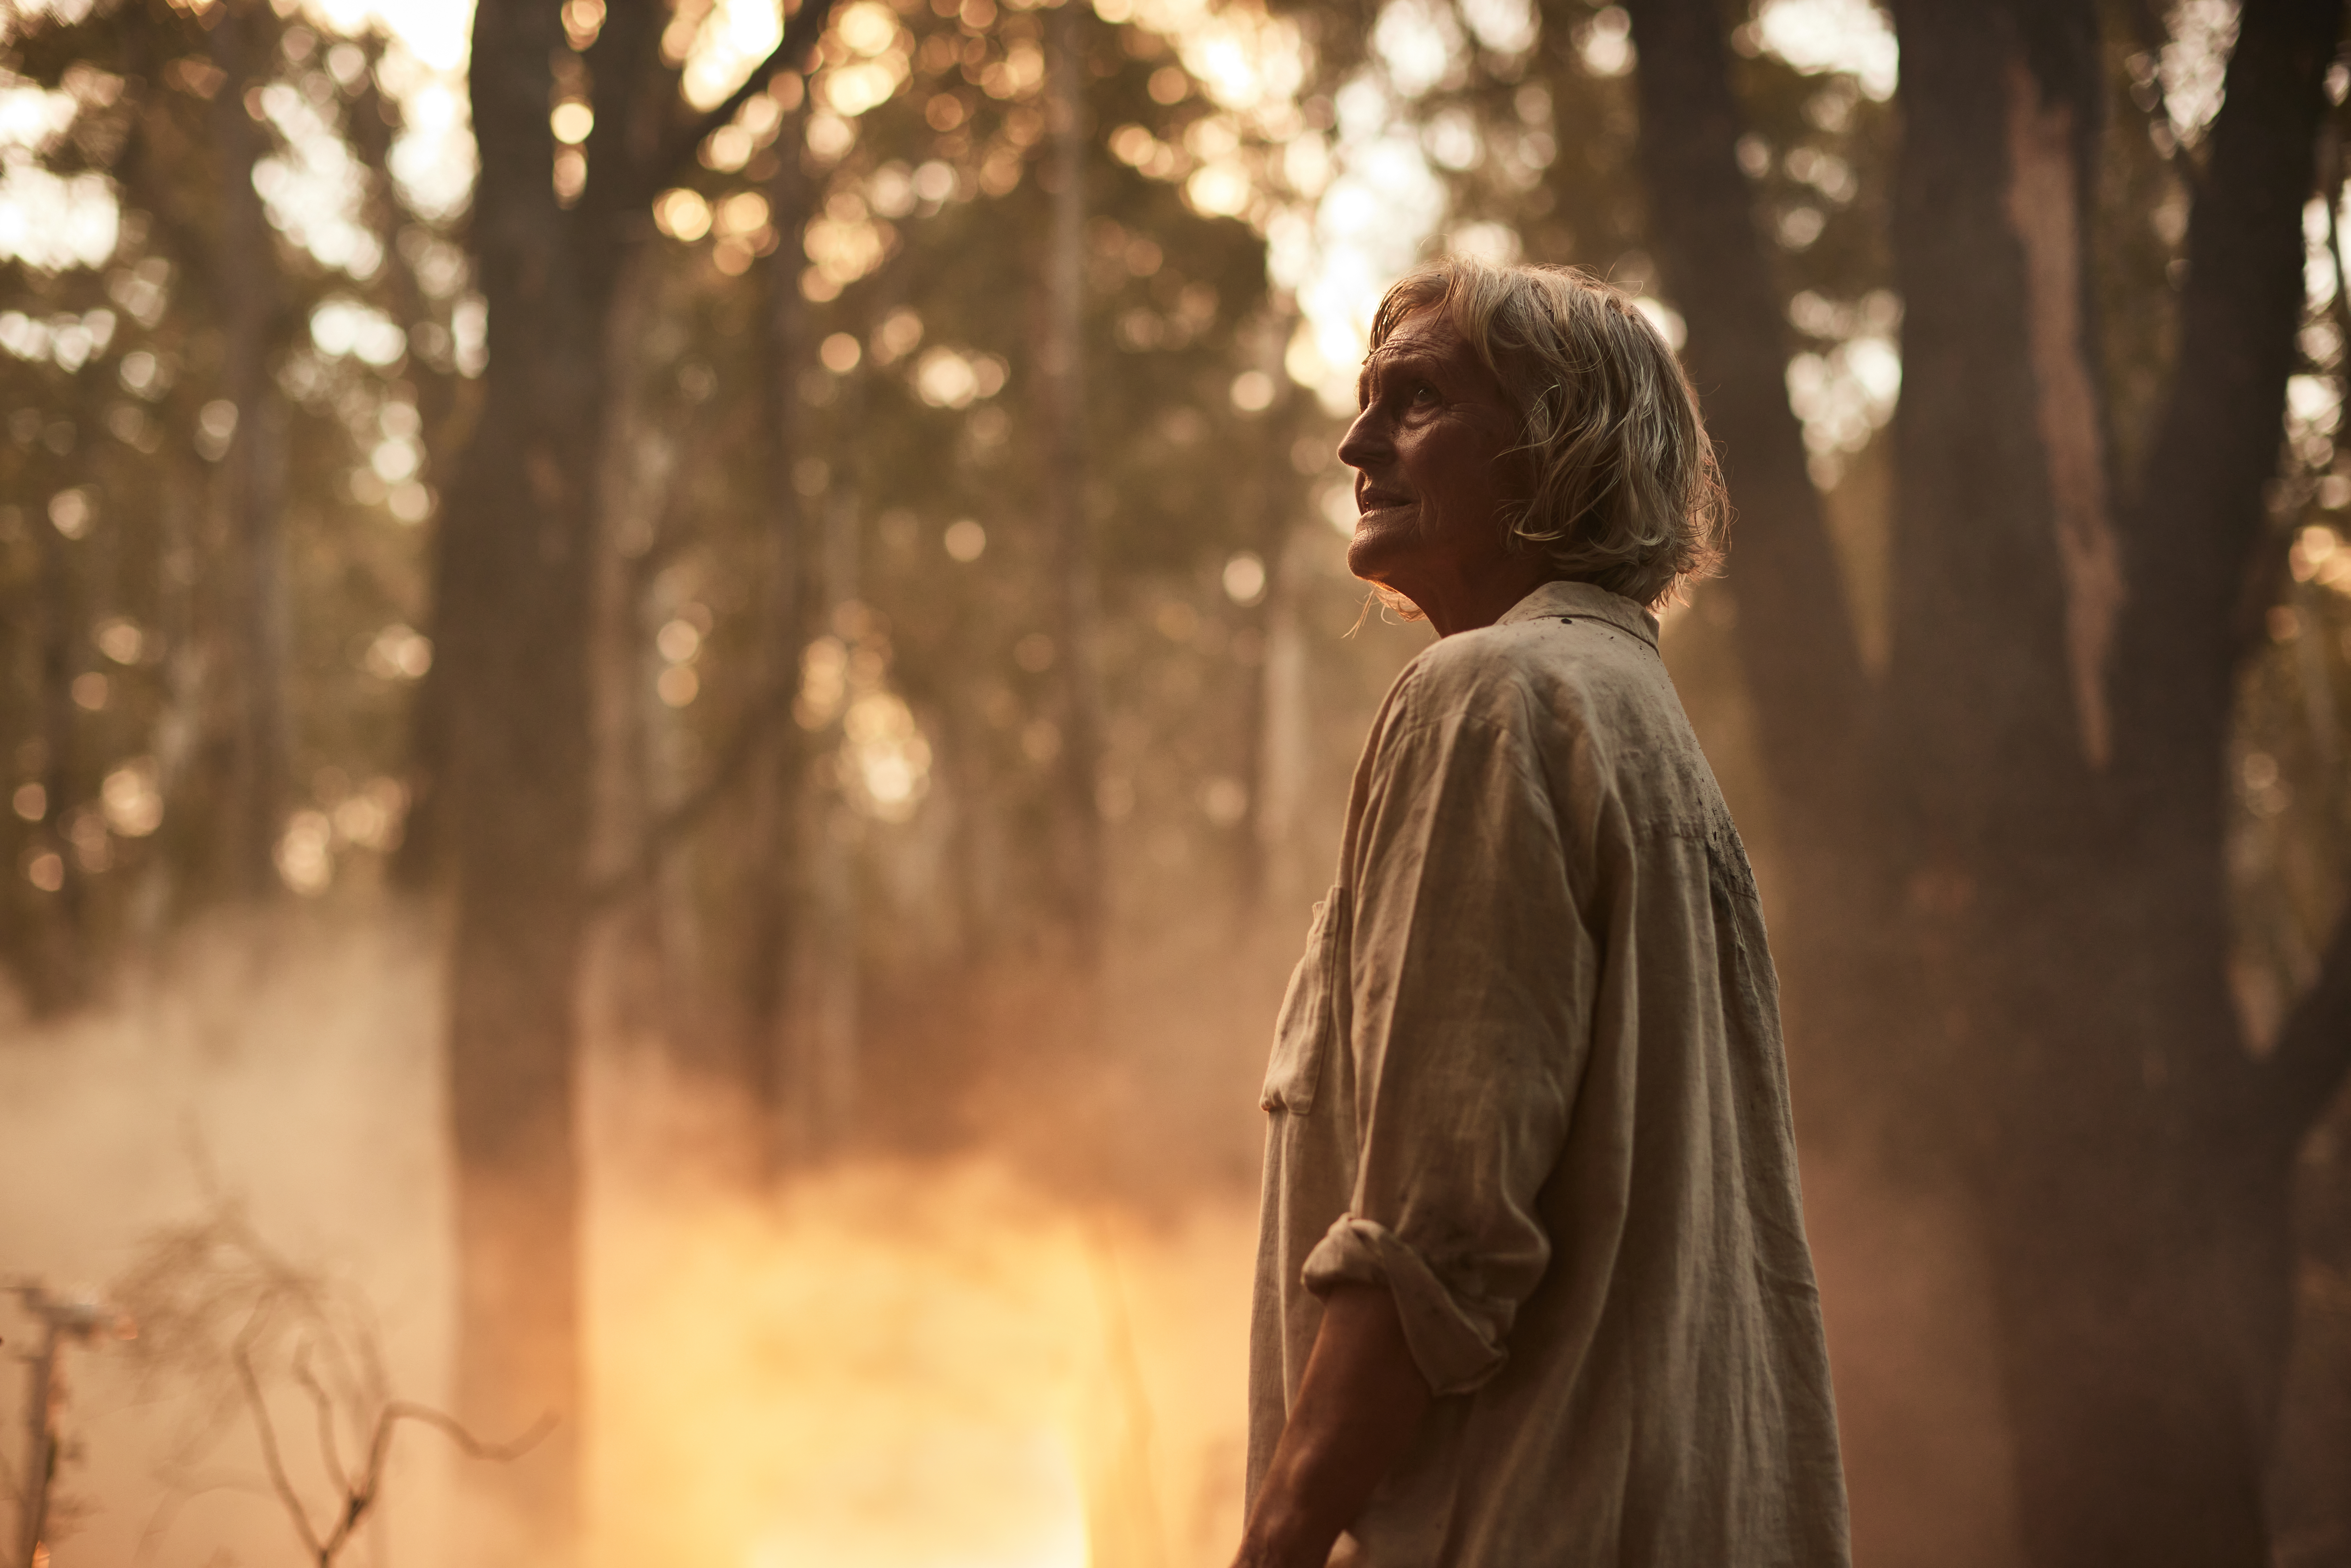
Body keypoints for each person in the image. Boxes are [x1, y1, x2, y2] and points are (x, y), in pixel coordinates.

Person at [1236, 258, 1850, 1568]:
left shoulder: (1490, 698)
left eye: (1418, 400)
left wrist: (1274, 1544)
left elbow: (1435, 1236)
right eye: (1365, 399)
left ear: (1556, 443)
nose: (1356, 441)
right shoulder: (1630, 719)